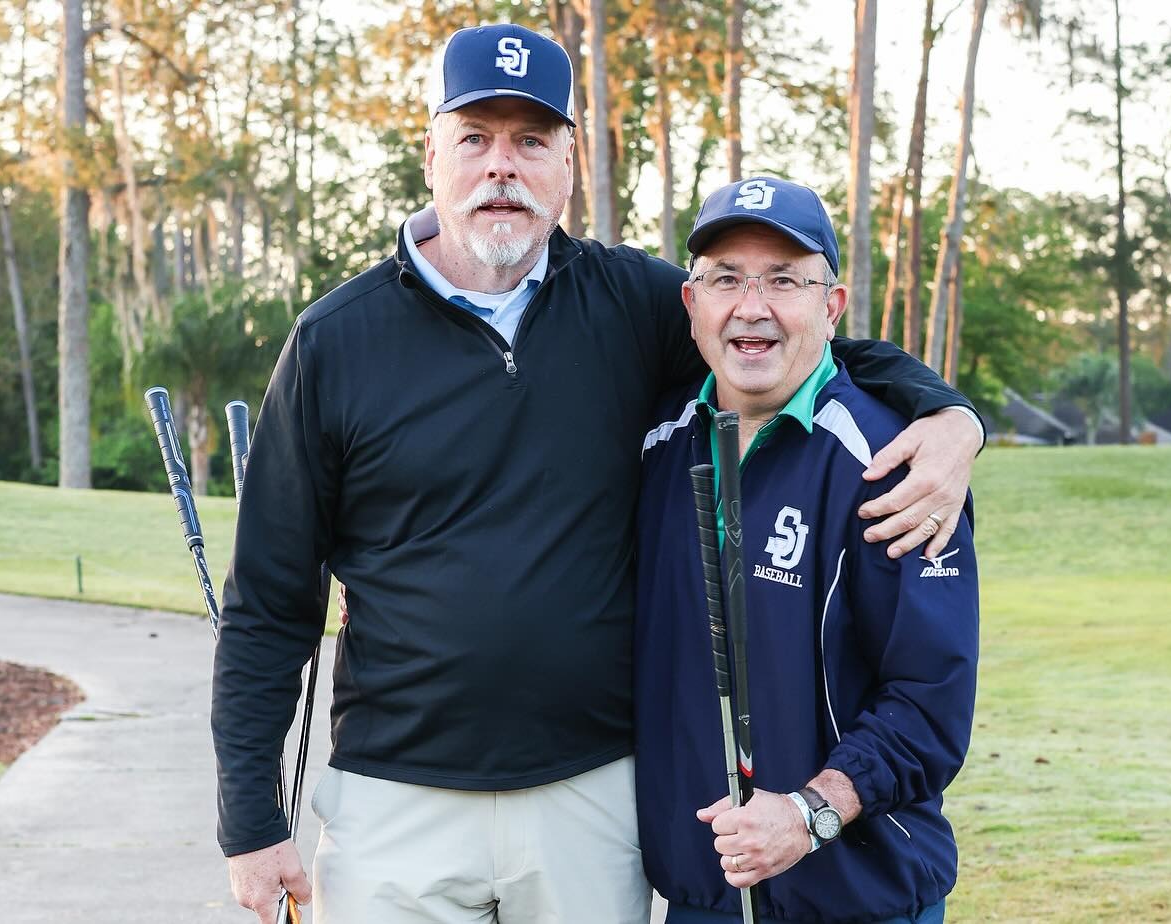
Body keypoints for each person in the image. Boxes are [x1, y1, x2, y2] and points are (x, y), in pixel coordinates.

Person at [217, 23, 981, 924]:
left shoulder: (633, 303)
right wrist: (250, 821)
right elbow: (270, 602)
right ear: (433, 156)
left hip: (589, 793)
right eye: (475, 139)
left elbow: (788, 339)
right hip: (394, 796)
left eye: (532, 141)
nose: (502, 167)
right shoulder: (334, 342)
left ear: (570, 164)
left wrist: (949, 418)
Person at [634, 176, 979, 924]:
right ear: (691, 305)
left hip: (860, 896)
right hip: (702, 896)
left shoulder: (896, 463)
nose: (751, 307)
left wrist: (809, 813)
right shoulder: (656, 445)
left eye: (784, 281)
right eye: (726, 279)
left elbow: (930, 705)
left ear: (831, 307)